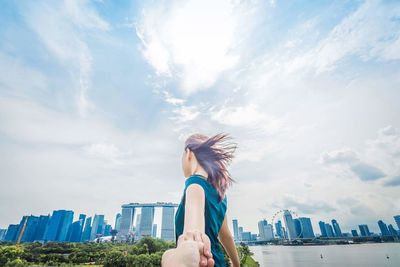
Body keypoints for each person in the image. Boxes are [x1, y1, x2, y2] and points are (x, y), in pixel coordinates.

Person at [174, 133, 241, 267]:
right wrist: (236, 264)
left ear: (188, 153)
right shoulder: (219, 193)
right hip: (219, 262)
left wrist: (189, 247)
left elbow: (193, 232)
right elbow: (225, 236)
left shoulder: (194, 184)